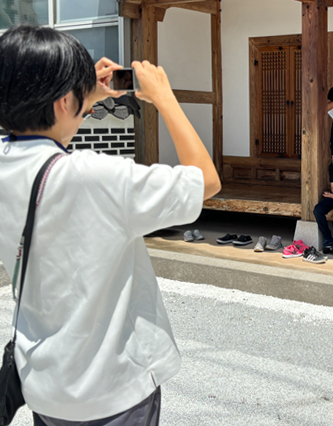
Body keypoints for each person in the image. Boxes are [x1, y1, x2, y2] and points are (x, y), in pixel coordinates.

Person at [0, 26, 220, 426]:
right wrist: (163, 97)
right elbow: (205, 181)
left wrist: (83, 95)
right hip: (114, 388)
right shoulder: (97, 176)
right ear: (65, 101)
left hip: (45, 386)